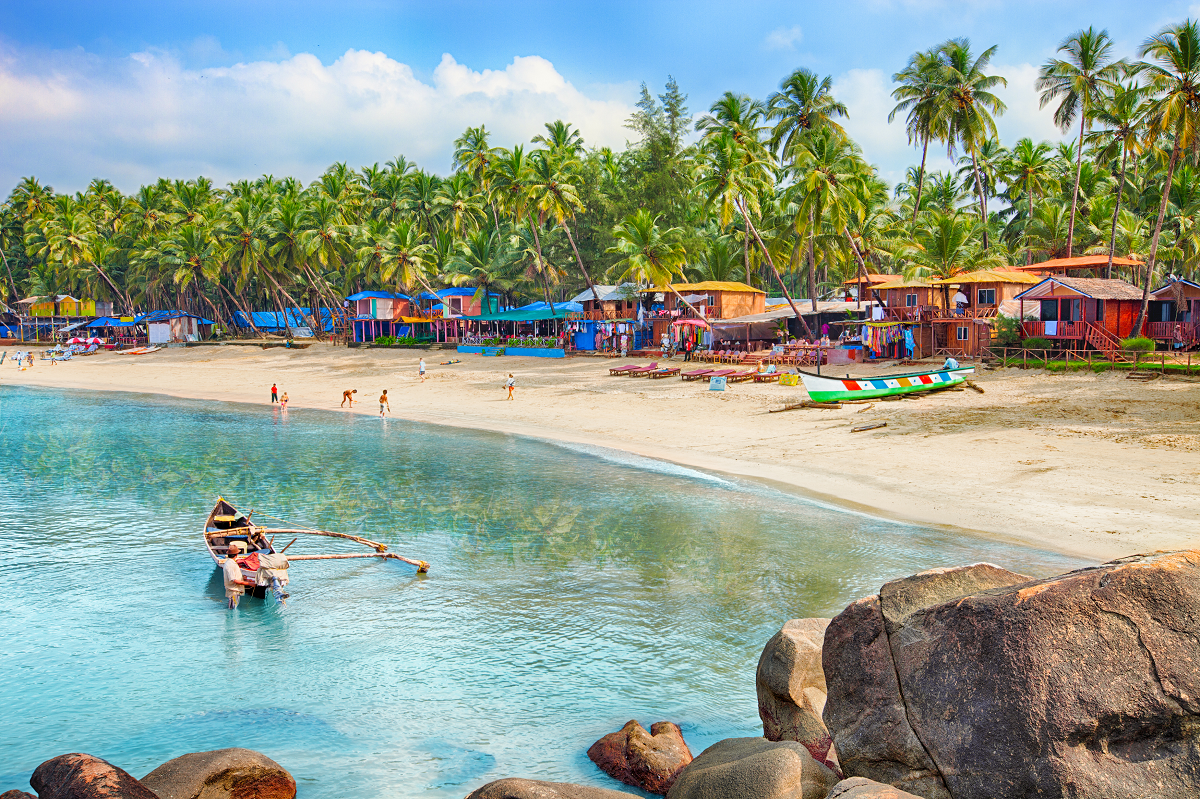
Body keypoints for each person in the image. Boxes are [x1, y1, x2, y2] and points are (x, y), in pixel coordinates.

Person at [222, 541, 254, 609]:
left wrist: (244, 578)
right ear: (236, 555)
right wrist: (249, 583)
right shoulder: (230, 565)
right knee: (232, 609)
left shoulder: (231, 563)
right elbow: (234, 580)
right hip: (233, 591)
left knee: (233, 608)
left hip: (235, 591)